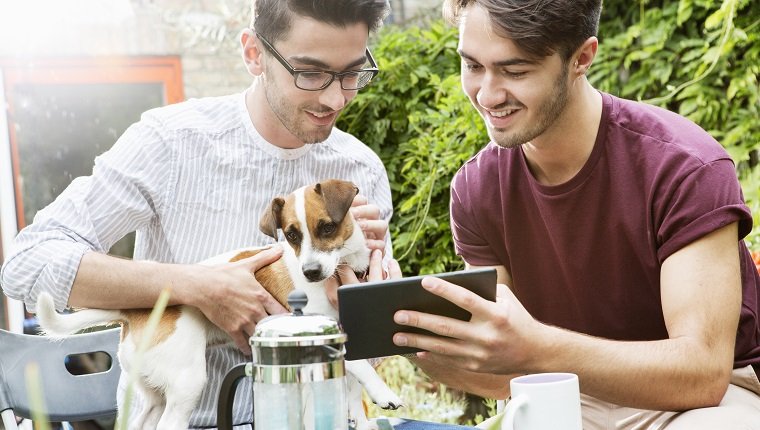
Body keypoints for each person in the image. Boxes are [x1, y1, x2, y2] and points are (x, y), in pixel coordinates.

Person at [0, 0, 393, 428]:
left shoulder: (361, 169)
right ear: (253, 54)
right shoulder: (169, 143)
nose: (336, 97)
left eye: (352, 72)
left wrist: (368, 300)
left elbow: (375, 349)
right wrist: (196, 286)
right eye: (310, 72)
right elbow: (26, 264)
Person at [390, 0, 760, 428]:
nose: (487, 95)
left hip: (703, 406)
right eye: (472, 65)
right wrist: (415, 341)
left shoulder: (685, 168)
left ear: (582, 58)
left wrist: (537, 348)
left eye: (515, 71)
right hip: (562, 393)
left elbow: (701, 375)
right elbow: (506, 374)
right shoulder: (476, 189)